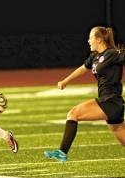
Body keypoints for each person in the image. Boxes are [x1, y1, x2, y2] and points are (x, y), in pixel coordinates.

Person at [44, 26, 125, 162]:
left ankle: (62, 152)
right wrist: (65, 81)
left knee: (73, 113)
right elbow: (82, 69)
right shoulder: (94, 56)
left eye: (90, 37)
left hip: (110, 101)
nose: (88, 41)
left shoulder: (112, 53)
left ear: (99, 40)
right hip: (110, 103)